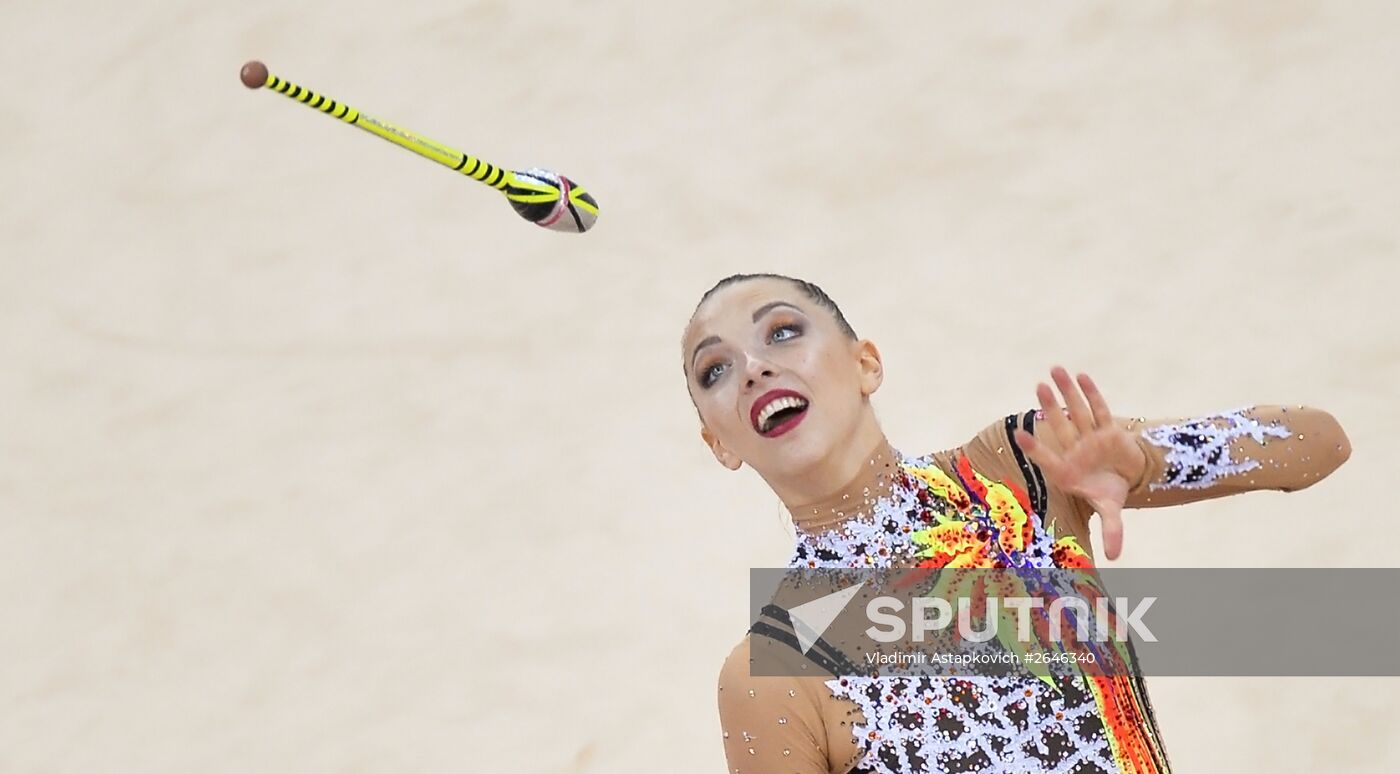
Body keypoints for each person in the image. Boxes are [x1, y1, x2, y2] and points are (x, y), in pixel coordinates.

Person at [680, 273, 1352, 774]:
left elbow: (1318, 443)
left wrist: (1149, 462)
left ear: (866, 364)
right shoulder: (770, 674)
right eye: (716, 368)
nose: (755, 368)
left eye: (783, 331)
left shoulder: (1015, 471)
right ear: (720, 444)